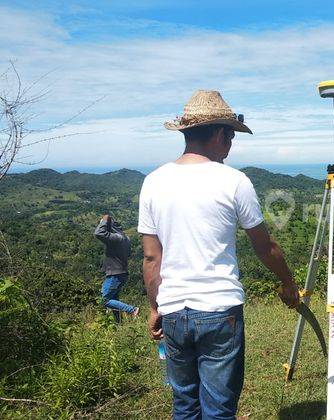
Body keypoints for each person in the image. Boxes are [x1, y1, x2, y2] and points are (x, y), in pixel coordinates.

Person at [138, 90, 300, 419]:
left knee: (184, 403)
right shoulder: (234, 181)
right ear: (218, 133)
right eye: (230, 136)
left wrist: (155, 307)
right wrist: (287, 282)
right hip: (219, 309)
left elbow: (152, 259)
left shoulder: (153, 182)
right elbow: (264, 246)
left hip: (173, 311)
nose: (230, 145)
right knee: (219, 408)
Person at [94, 214, 137, 323]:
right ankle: (119, 325)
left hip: (115, 274)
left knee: (104, 300)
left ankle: (132, 310)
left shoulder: (117, 238)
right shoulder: (126, 238)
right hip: (121, 273)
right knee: (114, 301)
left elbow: (98, 233)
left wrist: (104, 220)